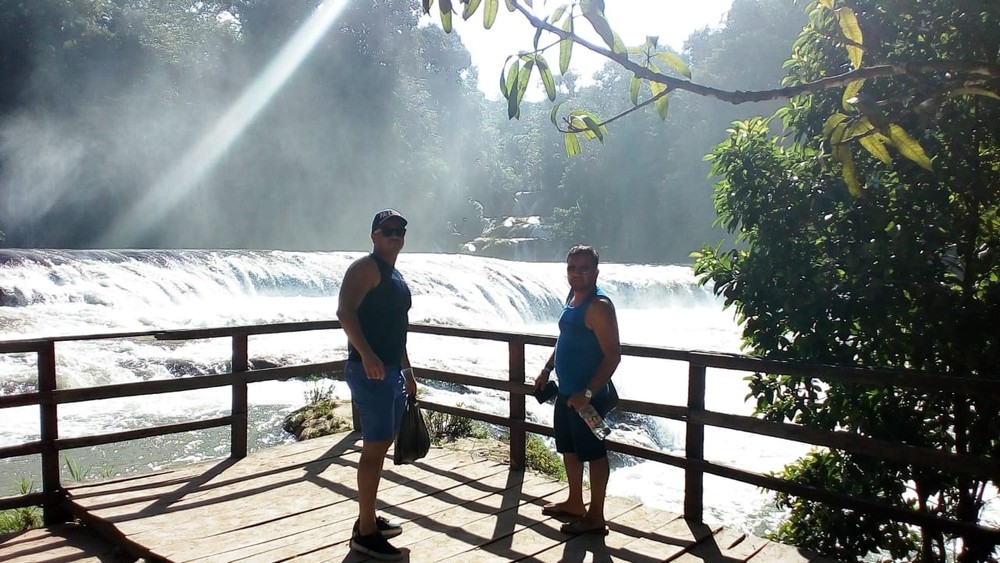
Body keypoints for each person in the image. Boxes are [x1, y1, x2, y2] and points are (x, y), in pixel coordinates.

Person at [337, 208, 418, 561]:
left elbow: (395, 328)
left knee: (381, 444)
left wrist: (407, 369)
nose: (395, 235)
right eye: (388, 230)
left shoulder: (393, 274)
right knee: (374, 447)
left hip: (389, 370)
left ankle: (366, 519)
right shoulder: (365, 268)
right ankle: (366, 533)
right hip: (369, 371)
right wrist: (367, 355)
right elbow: (345, 312)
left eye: (400, 230)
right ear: (373, 234)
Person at [533, 244, 621, 536]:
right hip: (567, 394)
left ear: (596, 271)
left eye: (584, 268)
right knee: (568, 448)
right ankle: (574, 502)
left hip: (589, 399)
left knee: (595, 453)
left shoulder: (599, 306)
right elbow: (563, 338)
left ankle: (596, 516)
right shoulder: (573, 297)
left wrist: (586, 395)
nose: (577, 274)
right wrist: (547, 369)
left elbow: (612, 356)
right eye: (572, 268)